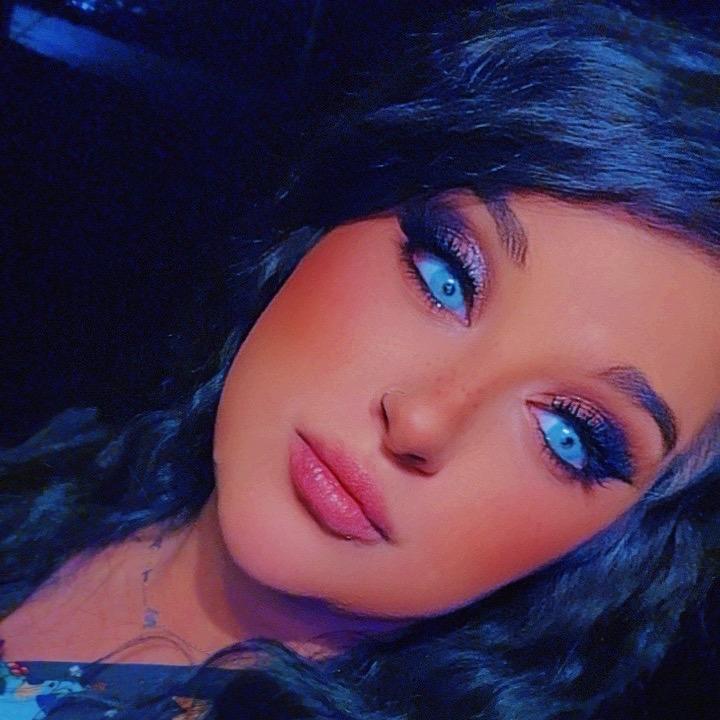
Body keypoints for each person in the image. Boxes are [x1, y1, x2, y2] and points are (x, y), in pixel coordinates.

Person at [1, 1, 719, 718]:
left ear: (629, 544)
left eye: (570, 433)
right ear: (340, 210)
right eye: (447, 277)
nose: (421, 421)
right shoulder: (65, 447)